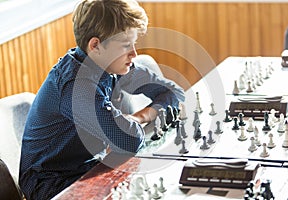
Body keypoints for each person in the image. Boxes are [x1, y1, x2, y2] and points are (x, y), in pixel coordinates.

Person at [18, 0, 185, 199]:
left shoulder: (111, 65)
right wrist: (130, 125)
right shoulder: (75, 86)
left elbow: (173, 93)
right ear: (96, 45)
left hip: (90, 166)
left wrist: (138, 118)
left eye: (134, 43)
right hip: (52, 184)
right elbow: (129, 140)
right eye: (125, 45)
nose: (134, 53)